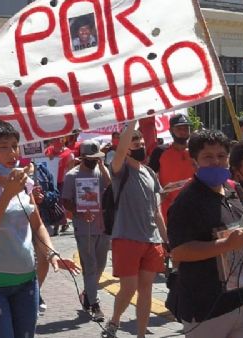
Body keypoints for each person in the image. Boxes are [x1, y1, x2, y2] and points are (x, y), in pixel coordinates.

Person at [0, 120, 79, 338]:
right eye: (4, 147)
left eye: (15, 145)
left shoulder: (24, 181)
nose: (12, 153)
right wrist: (7, 194)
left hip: (26, 283)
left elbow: (37, 225)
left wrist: (50, 252)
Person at [166, 129, 243, 338]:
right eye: (208, 157)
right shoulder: (186, 202)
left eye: (221, 156)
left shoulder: (234, 191)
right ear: (194, 162)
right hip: (208, 308)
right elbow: (179, 253)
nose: (216, 162)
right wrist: (225, 246)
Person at [103, 125, 167, 338]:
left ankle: (141, 334)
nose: (140, 148)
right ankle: (115, 320)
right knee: (129, 288)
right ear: (126, 148)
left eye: (141, 144)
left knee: (146, 289)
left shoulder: (149, 173)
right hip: (127, 238)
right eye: (135, 144)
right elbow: (120, 150)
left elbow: (156, 211)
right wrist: (133, 121)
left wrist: (166, 240)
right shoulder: (120, 170)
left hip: (152, 240)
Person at [61, 139, 111, 323]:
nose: (93, 161)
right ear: (82, 157)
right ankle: (95, 305)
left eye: (96, 158)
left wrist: (103, 166)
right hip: (84, 228)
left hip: (103, 226)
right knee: (90, 267)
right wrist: (79, 213)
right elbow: (66, 200)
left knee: (100, 266)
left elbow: (111, 187)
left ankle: (88, 295)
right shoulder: (72, 176)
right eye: (90, 158)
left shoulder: (100, 171)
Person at [148, 113, 194, 223]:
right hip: (168, 209)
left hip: (194, 206)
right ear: (171, 131)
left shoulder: (197, 151)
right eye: (179, 128)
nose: (183, 131)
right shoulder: (160, 151)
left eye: (186, 128)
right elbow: (149, 178)